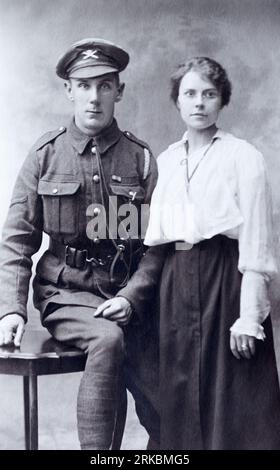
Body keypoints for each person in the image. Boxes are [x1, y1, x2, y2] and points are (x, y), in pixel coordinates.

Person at [96, 57, 280, 449]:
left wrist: (249, 317)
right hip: (175, 285)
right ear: (177, 102)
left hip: (225, 282)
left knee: (232, 396)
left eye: (209, 94)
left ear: (222, 100)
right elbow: (147, 234)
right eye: (190, 94)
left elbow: (258, 242)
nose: (199, 103)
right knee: (180, 396)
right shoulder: (165, 161)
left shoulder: (243, 158)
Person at [0, 38, 159, 450]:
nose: (93, 98)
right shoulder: (45, 155)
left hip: (124, 297)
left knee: (168, 388)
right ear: (68, 90)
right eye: (83, 86)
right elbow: (16, 240)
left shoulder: (139, 159)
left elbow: (157, 246)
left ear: (118, 92)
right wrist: (10, 309)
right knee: (108, 339)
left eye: (104, 86)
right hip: (65, 293)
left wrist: (133, 297)